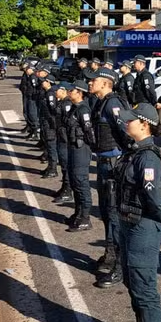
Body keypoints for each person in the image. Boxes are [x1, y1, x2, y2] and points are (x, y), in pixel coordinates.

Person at [116, 103, 161, 322]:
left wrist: (160, 218)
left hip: (143, 227)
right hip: (129, 223)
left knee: (145, 287)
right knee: (131, 281)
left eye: (130, 121)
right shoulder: (133, 151)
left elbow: (152, 197)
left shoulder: (147, 157)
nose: (126, 124)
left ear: (144, 124)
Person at [89, 67, 132, 288]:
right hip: (104, 162)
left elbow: (127, 133)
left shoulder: (113, 104)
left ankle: (119, 266)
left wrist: (127, 163)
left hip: (114, 164)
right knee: (106, 212)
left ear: (106, 83)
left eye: (93, 80)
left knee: (115, 214)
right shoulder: (101, 102)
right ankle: (110, 253)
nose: (89, 83)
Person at [66, 79, 96, 231]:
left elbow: (89, 131)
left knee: (80, 181)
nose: (69, 92)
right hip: (73, 148)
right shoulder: (74, 108)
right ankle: (78, 213)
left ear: (79, 93)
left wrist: (91, 147)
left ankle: (85, 217)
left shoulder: (83, 110)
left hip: (81, 149)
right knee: (74, 181)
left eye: (72, 90)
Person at [53, 83, 75, 206]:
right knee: (63, 163)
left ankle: (68, 190)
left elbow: (68, 122)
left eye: (58, 90)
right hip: (61, 136)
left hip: (65, 139)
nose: (56, 92)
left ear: (64, 91)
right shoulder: (62, 102)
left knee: (66, 164)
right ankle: (64, 187)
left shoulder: (67, 104)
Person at [38, 73, 60, 178]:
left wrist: (52, 124)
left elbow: (53, 110)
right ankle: (50, 166)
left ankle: (53, 169)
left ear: (49, 82)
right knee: (48, 145)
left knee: (51, 146)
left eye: (44, 81)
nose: (42, 82)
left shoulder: (50, 94)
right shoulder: (46, 92)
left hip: (50, 124)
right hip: (46, 122)